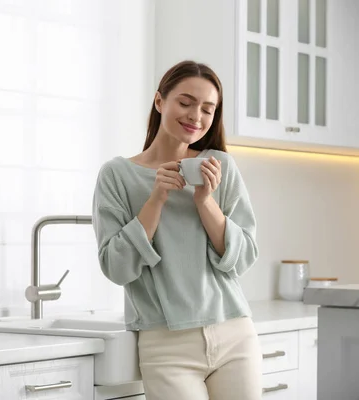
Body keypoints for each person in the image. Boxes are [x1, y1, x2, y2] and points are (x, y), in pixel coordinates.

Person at [91, 60, 261, 400]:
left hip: (234, 332)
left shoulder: (220, 166)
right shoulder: (117, 175)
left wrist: (205, 201)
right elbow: (116, 266)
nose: (196, 116)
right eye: (185, 102)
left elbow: (244, 258)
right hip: (166, 344)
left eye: (207, 109)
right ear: (159, 102)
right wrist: (157, 198)